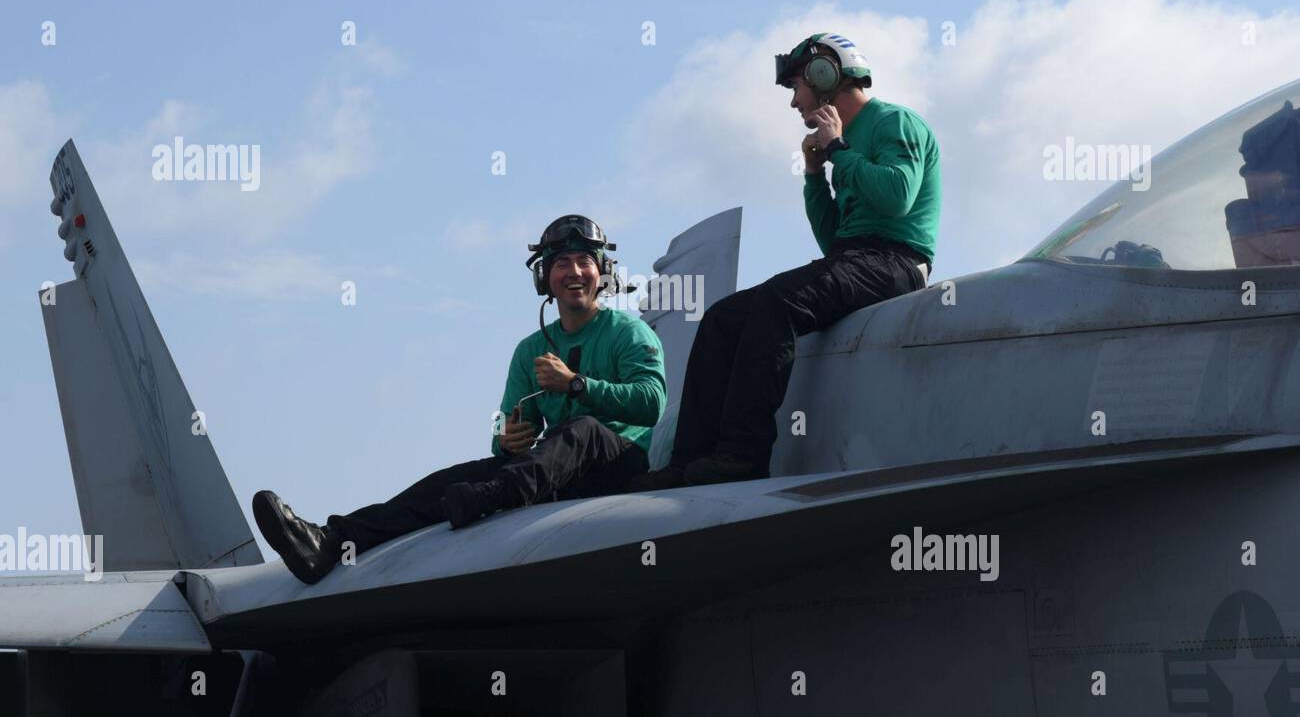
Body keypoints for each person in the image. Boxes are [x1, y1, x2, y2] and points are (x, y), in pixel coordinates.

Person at [253, 215, 666, 584]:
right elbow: (507, 425)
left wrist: (577, 385)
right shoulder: (530, 350)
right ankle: (331, 541)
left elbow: (652, 403)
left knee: (583, 430)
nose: (574, 272)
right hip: (549, 474)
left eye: (584, 262)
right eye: (562, 263)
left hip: (616, 467)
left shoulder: (628, 333)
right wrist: (506, 440)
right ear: (545, 278)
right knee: (450, 480)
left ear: (602, 272)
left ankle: (491, 496)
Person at [632, 32, 941, 489]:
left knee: (778, 301)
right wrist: (816, 177)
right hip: (858, 258)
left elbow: (896, 197)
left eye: (796, 86)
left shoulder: (895, 122)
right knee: (723, 319)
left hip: (897, 262)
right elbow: (836, 242)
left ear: (824, 76)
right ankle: (687, 460)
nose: (794, 102)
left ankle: (743, 455)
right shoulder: (849, 141)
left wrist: (837, 149)